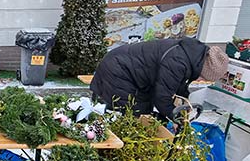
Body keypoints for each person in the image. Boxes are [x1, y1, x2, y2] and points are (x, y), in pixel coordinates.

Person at [90, 37, 229, 121]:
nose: (200, 81)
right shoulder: (178, 62)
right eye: (203, 77)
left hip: (131, 72)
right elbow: (162, 97)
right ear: (203, 69)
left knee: (143, 111)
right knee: (131, 114)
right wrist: (175, 118)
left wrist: (183, 104)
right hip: (119, 71)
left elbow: (176, 84)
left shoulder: (191, 56)